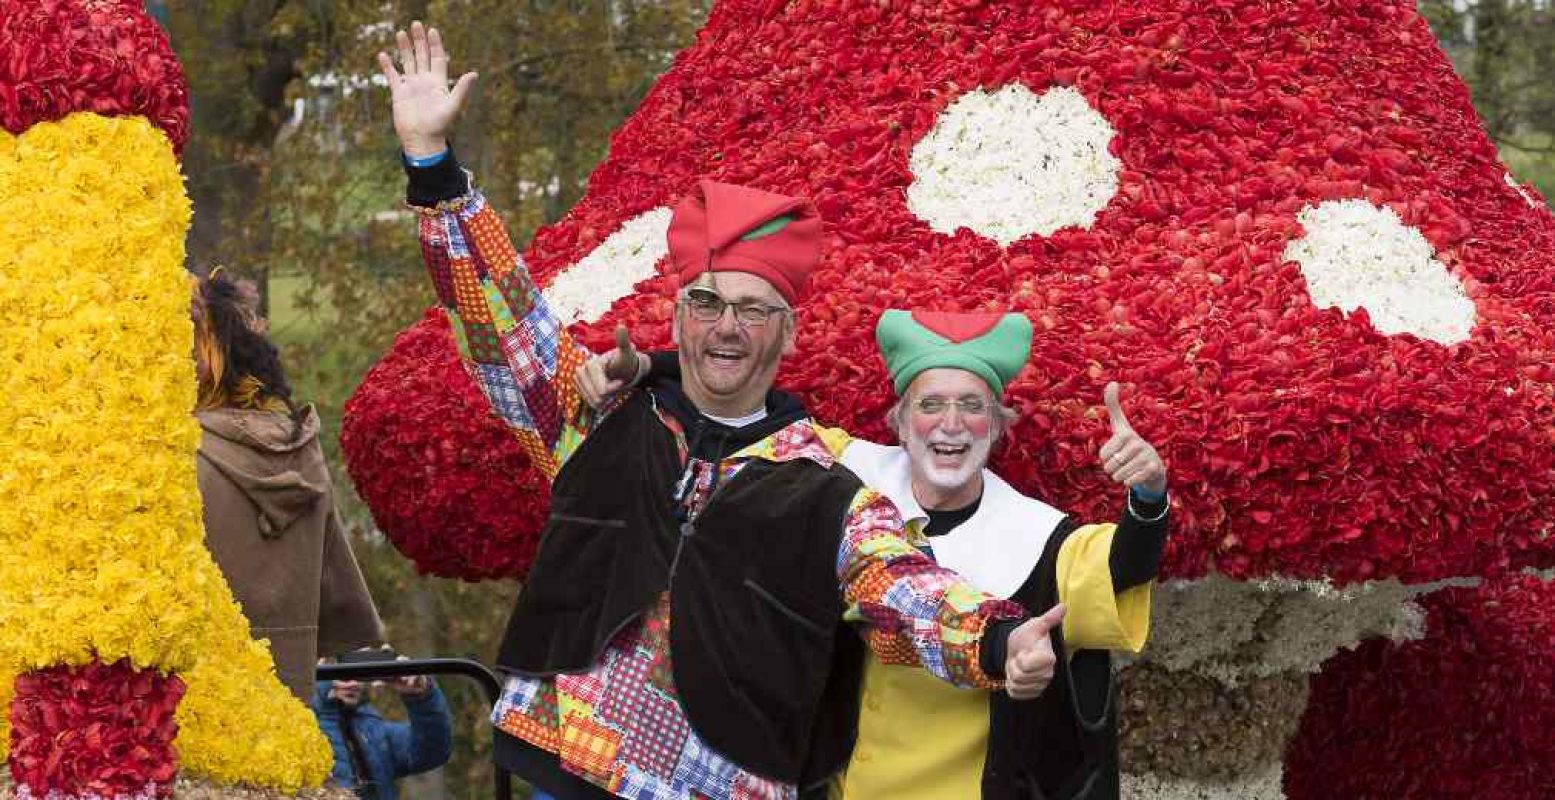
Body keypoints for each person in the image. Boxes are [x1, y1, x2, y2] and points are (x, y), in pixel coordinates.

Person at [377, 22, 1068, 800]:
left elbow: (904, 586)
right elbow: (502, 322)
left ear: (787, 331)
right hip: (560, 762)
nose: (727, 325)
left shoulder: (825, 489)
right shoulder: (598, 411)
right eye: (706, 303)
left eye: (752, 308)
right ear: (676, 319)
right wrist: (432, 170)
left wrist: (1001, 638)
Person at [581, 309, 1170, 800]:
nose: (951, 424)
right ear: (900, 420)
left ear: (996, 425)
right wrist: (650, 368)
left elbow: (1122, 564)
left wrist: (1147, 494)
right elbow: (738, 415)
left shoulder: (1038, 534)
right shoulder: (837, 468)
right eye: (931, 404)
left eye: (972, 406)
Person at [193, 268, 386, 701]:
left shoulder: (183, 455)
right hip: (286, 695)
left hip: (197, 702)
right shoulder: (302, 446)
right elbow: (336, 589)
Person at [312, 669, 454, 800]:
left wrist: (422, 696)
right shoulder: (298, 731)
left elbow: (433, 751)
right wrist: (323, 700)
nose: (353, 682)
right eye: (339, 672)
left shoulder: (371, 728)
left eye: (356, 670)